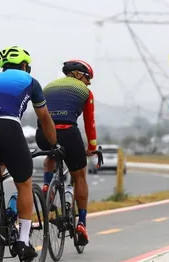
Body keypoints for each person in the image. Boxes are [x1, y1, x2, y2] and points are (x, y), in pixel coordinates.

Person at [0, 46, 63, 262]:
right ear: (24, 66)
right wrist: (54, 144)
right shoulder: (30, 81)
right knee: (24, 183)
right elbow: (45, 118)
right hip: (8, 129)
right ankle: (23, 241)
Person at [35, 59, 97, 246]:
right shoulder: (85, 92)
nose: (88, 82)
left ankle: (47, 187)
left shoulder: (48, 87)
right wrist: (92, 148)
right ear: (78, 74)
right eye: (87, 77)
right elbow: (89, 123)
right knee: (80, 176)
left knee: (51, 156)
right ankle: (82, 224)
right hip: (69, 132)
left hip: (44, 133)